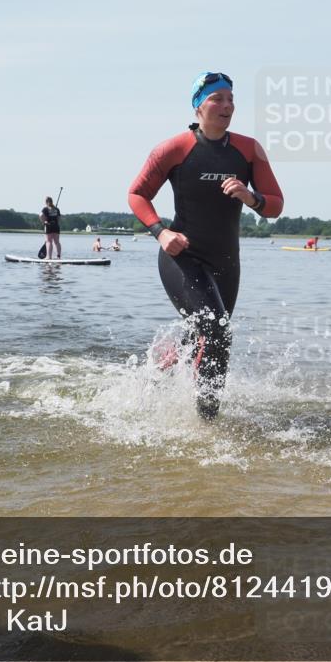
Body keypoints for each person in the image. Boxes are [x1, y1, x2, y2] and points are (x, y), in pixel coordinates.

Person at [128, 71, 284, 419]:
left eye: (231, 99)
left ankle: (161, 370)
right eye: (217, 98)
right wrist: (161, 232)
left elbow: (275, 205)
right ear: (198, 105)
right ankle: (207, 421)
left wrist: (250, 197)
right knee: (217, 331)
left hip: (226, 261)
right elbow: (137, 194)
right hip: (182, 256)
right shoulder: (174, 149)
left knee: (206, 334)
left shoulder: (249, 150)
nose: (227, 105)